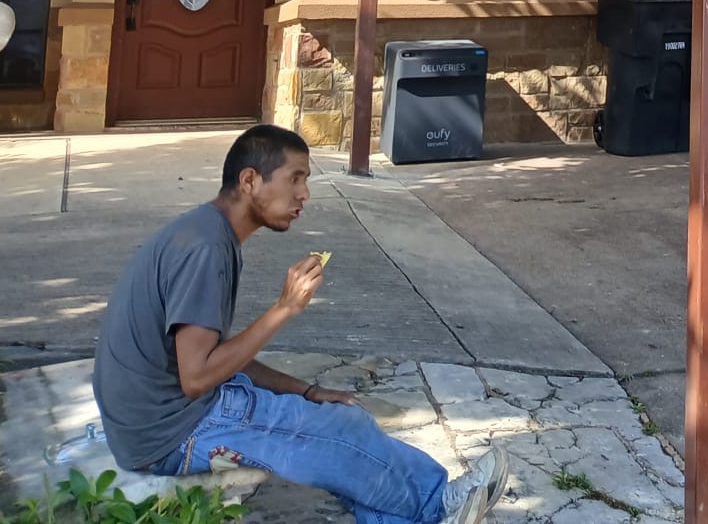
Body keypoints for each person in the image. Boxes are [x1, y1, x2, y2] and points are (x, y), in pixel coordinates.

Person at [92, 124, 510, 523]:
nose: (304, 194)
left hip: (159, 419)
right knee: (339, 432)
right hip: (171, 432)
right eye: (295, 179)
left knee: (345, 418)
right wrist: (284, 308)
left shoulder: (208, 234)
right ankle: (440, 505)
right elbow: (197, 377)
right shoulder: (205, 250)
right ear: (250, 180)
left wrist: (308, 391)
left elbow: (220, 358)